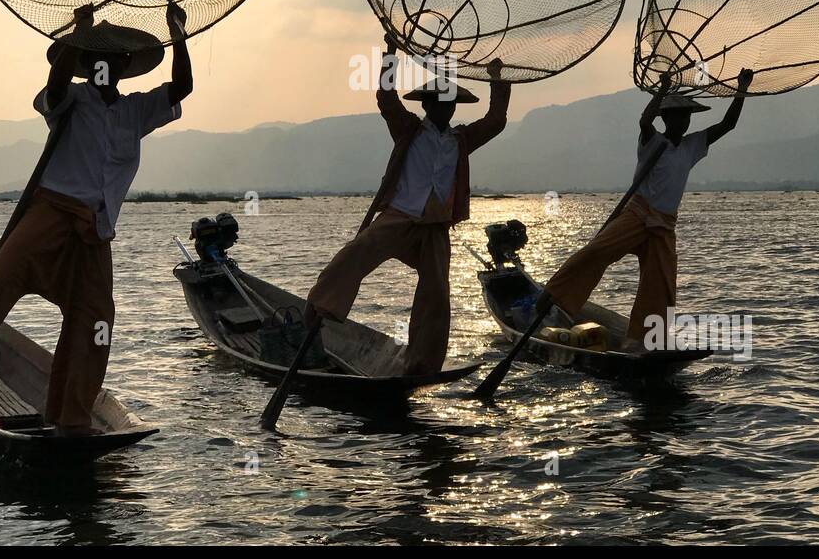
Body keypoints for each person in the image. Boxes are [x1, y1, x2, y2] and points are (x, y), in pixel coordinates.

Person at [0, 2, 193, 434]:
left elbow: (182, 88)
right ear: (87, 64)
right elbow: (56, 84)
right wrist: (77, 35)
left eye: (112, 61)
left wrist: (178, 33)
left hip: (95, 232)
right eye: (95, 60)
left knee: (94, 321)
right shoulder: (71, 98)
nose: (105, 67)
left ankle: (70, 418)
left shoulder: (135, 110)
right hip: (50, 214)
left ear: (121, 66)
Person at [306, 33, 512, 373]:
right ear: (427, 105)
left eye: (449, 104)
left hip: (434, 227)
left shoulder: (460, 140)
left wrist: (498, 81)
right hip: (399, 216)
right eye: (439, 102)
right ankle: (317, 312)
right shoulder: (409, 130)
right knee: (354, 255)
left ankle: (422, 362)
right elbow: (386, 99)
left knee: (436, 294)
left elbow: (496, 122)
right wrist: (390, 55)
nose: (444, 108)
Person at [543, 68, 754, 349]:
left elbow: (727, 125)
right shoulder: (653, 140)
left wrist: (741, 90)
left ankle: (643, 340)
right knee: (596, 252)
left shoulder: (692, 145)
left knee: (661, 285)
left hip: (664, 225)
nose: (684, 121)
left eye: (686, 116)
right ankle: (553, 301)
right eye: (678, 116)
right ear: (666, 118)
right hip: (637, 215)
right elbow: (644, 120)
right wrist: (662, 91)